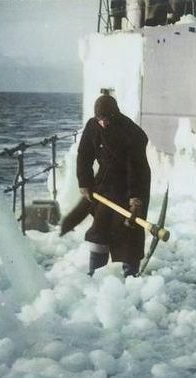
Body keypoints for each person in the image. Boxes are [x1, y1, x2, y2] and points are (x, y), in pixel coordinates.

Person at [77, 93, 151, 277]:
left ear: (114, 114)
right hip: (106, 182)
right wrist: (85, 182)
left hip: (133, 182)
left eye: (106, 119)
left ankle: (131, 274)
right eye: (99, 119)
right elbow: (84, 155)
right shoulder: (92, 126)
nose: (103, 123)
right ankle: (95, 271)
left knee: (130, 227)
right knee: (100, 226)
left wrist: (135, 198)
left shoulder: (131, 133)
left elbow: (136, 168)